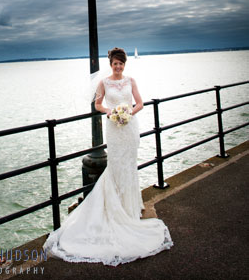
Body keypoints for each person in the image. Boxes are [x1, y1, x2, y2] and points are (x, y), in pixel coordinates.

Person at [43, 47, 173, 266]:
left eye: (121, 64)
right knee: (116, 166)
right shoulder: (104, 82)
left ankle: (130, 208)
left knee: (130, 166)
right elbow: (98, 104)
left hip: (130, 129)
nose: (118, 67)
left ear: (124, 64)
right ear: (110, 63)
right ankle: (116, 208)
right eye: (115, 64)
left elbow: (139, 103)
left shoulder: (131, 80)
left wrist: (129, 112)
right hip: (114, 129)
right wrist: (111, 113)